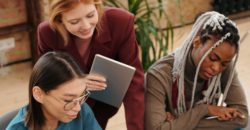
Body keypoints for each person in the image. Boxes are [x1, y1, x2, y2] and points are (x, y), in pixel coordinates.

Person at [36, 0, 144, 129]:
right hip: (64, 107)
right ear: (60, 20)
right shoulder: (47, 33)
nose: (86, 26)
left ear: (97, 6)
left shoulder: (120, 22)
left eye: (91, 15)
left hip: (102, 103)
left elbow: (134, 82)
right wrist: (77, 81)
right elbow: (45, 79)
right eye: (74, 22)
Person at [145, 11, 248, 130]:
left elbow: (242, 116)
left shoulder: (224, 69)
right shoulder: (160, 74)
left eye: (224, 64)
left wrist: (178, 124)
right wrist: (204, 110)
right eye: (212, 58)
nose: (216, 68)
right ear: (197, 42)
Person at [6, 51, 101, 130]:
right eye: (68, 100)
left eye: (81, 95)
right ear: (38, 94)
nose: (77, 108)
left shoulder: (82, 111)